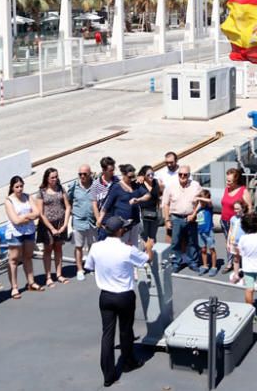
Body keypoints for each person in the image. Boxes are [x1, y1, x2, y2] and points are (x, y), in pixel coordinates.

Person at [84, 216, 149, 387]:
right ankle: (128, 362)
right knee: (126, 331)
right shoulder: (127, 250)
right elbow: (145, 259)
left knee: (107, 335)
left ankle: (108, 375)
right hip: (124, 295)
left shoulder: (96, 247)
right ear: (120, 231)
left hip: (106, 296)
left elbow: (89, 266)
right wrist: (149, 248)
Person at [3, 175, 43, 298]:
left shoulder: (28, 196)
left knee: (28, 256)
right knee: (14, 259)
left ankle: (31, 282)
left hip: (29, 231)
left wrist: (25, 217)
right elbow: (15, 220)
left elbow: (37, 213)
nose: (20, 189)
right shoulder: (9, 201)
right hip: (15, 233)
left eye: (21, 186)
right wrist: (28, 217)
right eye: (17, 187)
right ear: (12, 187)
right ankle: (14, 287)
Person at [162, 164, 202, 272]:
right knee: (175, 242)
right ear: (178, 174)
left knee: (192, 241)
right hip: (176, 218)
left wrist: (194, 214)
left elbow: (201, 202)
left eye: (185, 174)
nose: (183, 176)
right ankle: (176, 263)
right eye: (180, 174)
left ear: (189, 175)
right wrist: (167, 220)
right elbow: (166, 204)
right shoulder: (170, 186)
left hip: (191, 218)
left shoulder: (196, 185)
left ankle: (193, 262)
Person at [36, 167, 72, 287]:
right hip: (47, 226)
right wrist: (51, 228)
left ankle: (59, 274)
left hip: (60, 223)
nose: (55, 179)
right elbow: (40, 213)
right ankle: (48, 277)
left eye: (56, 177)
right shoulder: (41, 192)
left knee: (58, 248)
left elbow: (67, 207)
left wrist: (65, 224)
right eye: (52, 177)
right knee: (48, 250)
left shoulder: (61, 189)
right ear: (47, 178)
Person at [219, 167, 253, 274]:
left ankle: (243, 265)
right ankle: (230, 263)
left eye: (230, 181)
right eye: (227, 180)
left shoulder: (243, 191)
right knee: (229, 243)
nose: (227, 183)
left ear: (236, 180)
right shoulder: (226, 189)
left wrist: (247, 223)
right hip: (225, 221)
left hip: (238, 223)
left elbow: (249, 207)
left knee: (240, 244)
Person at [100, 164, 142, 247]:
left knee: (134, 247)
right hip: (122, 224)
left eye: (133, 176)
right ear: (123, 175)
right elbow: (107, 205)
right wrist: (100, 219)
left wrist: (142, 178)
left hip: (134, 222)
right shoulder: (116, 187)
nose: (131, 179)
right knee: (122, 247)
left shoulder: (135, 184)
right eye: (129, 177)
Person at [68, 164, 97, 281]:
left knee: (93, 246)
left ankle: (91, 266)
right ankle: (80, 269)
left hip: (92, 222)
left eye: (85, 174)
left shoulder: (96, 185)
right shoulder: (74, 187)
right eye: (80, 174)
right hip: (79, 221)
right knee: (79, 247)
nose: (82, 176)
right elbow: (68, 201)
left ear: (90, 173)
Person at [134, 166, 161, 259]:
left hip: (153, 212)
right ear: (143, 175)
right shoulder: (139, 183)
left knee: (153, 237)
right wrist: (137, 178)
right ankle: (143, 257)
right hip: (142, 212)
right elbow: (129, 183)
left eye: (152, 174)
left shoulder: (156, 182)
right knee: (143, 236)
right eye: (148, 174)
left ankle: (152, 257)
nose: (151, 176)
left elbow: (160, 193)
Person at [91, 157, 117, 238]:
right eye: (110, 170)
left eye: (113, 169)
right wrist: (99, 220)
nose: (113, 172)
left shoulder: (117, 181)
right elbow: (94, 205)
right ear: (104, 170)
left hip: (115, 219)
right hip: (103, 221)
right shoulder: (96, 185)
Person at [194, 188, 217, 275]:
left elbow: (209, 201)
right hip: (200, 231)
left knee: (211, 249)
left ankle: (214, 267)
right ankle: (205, 266)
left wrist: (199, 199)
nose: (202, 203)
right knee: (203, 249)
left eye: (203, 201)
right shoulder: (199, 208)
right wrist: (198, 202)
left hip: (209, 232)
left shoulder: (209, 207)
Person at [225, 200, 247, 284]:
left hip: (243, 243)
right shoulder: (233, 218)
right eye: (234, 209)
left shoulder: (246, 218)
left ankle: (246, 276)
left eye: (238, 209)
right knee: (236, 259)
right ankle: (236, 275)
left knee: (245, 260)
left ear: (243, 208)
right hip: (234, 242)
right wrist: (228, 242)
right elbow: (230, 231)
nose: (236, 211)